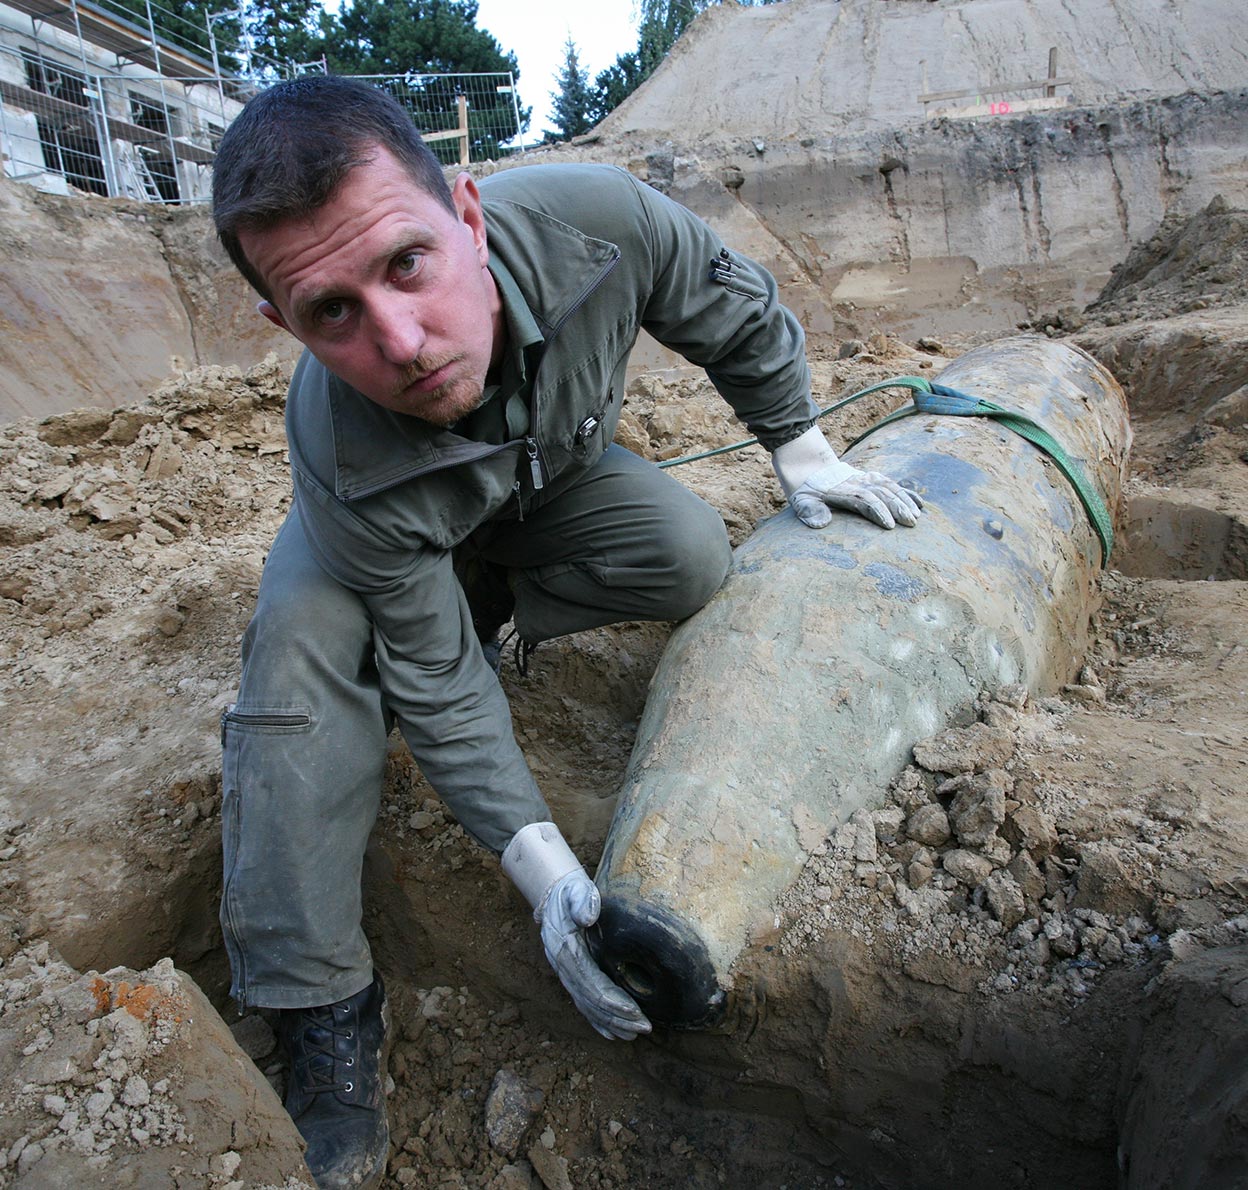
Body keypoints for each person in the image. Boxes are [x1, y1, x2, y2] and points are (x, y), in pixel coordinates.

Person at [211, 75, 922, 1188]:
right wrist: (548, 880)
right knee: (306, 650)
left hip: (540, 494)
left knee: (689, 550)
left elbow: (723, 301)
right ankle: (317, 1000)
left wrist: (802, 447)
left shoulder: (601, 224)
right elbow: (440, 685)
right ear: (281, 324)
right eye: (330, 313)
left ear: (470, 213)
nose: (399, 340)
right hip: (386, 536)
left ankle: (483, 593)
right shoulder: (339, 444)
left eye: (408, 262)